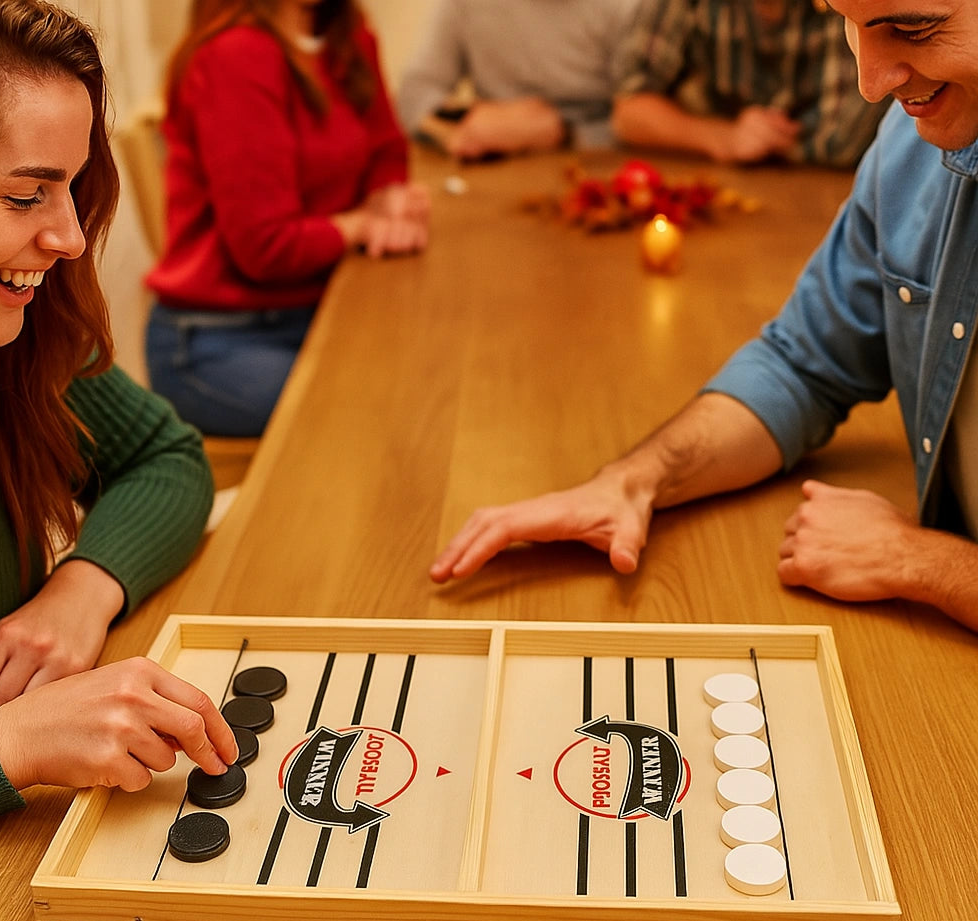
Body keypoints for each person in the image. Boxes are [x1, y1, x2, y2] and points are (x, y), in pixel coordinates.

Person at [431, 0, 978, 634]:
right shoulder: (906, 145)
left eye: (914, 30)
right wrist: (634, 482)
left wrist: (921, 561)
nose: (871, 82)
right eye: (848, 25)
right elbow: (803, 367)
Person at [0, 0, 238, 860]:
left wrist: (83, 587)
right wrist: (9, 745)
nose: (72, 236)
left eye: (72, 188)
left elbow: (166, 457)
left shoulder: (3, 337)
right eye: (24, 194)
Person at [144, 0, 430, 438]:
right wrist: (361, 226)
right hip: (217, 340)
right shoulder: (235, 55)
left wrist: (387, 199)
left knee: (433, 378)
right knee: (383, 414)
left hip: (324, 310)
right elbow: (266, 247)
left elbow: (386, 150)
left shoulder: (347, 35)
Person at [611, 0, 888, 167]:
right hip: (737, 190)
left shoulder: (850, 5)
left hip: (849, 189)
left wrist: (765, 140)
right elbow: (630, 112)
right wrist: (724, 138)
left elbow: (842, 143)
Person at [396, 0, 646, 160]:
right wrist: (467, 122)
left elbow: (647, 119)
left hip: (598, 168)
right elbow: (415, 93)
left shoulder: (626, 7)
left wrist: (564, 134)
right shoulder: (464, 5)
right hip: (496, 171)